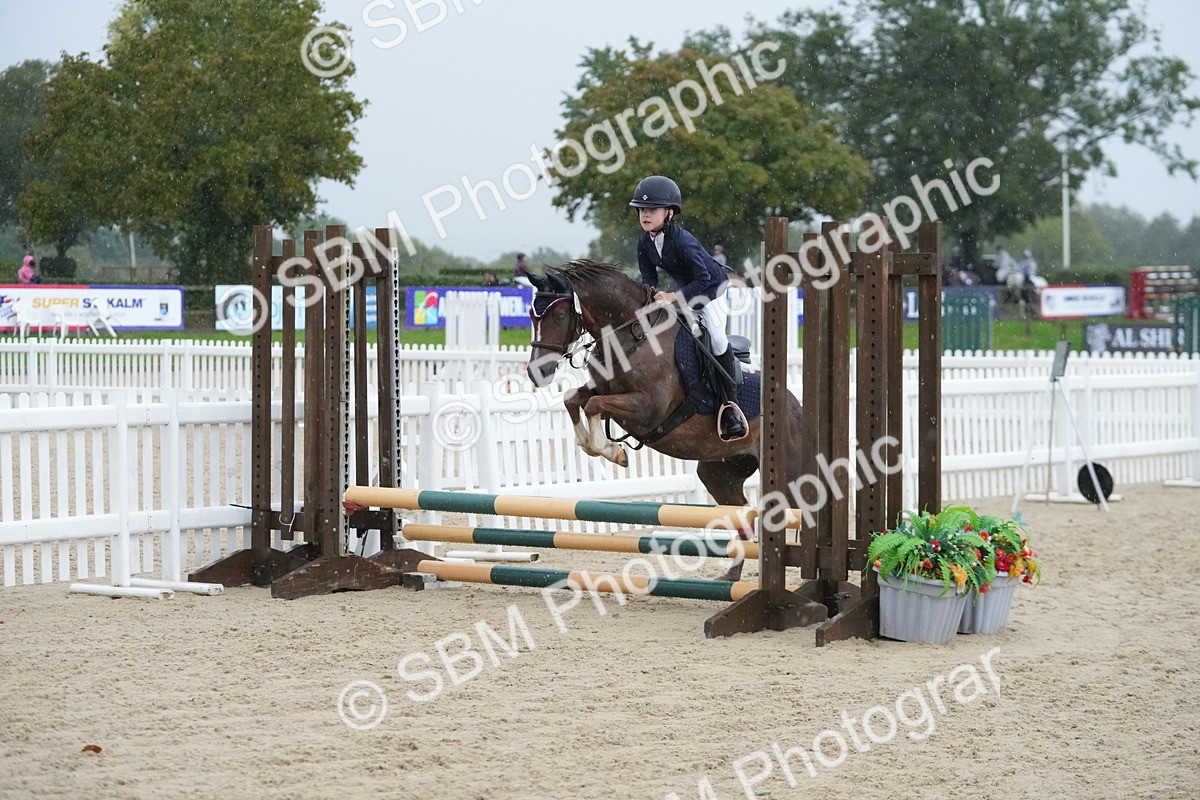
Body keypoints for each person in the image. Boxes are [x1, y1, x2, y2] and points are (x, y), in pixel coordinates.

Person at [629, 175, 748, 442]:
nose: (645, 215)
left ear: (669, 213)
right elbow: (648, 277)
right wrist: (647, 296)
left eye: (652, 210)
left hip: (711, 291)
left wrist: (672, 298)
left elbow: (704, 279)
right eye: (642, 210)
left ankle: (731, 407)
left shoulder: (683, 241)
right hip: (681, 287)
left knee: (716, 339)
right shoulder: (644, 242)